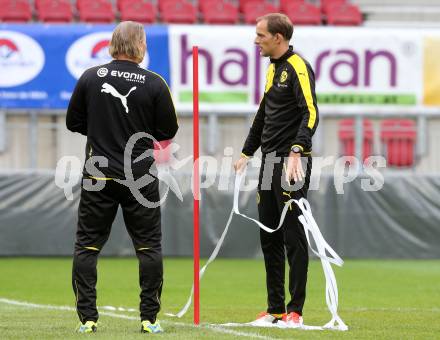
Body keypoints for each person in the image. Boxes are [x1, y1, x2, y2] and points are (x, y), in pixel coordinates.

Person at [66, 21, 178, 334]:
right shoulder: (154, 83)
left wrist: (101, 130)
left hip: (98, 175)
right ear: (140, 45)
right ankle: (149, 319)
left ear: (113, 44)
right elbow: (168, 131)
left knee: (87, 247)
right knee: (149, 248)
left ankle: (87, 320)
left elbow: (73, 121)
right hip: (140, 178)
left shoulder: (91, 77)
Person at [234, 13, 319, 326]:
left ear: (278, 38)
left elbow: (311, 113)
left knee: (293, 237)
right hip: (268, 163)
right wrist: (246, 151)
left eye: (260, 35)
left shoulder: (298, 67)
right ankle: (275, 310)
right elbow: (263, 115)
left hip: (290, 164)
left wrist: (298, 149)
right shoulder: (273, 71)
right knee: (268, 236)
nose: (256, 41)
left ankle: (295, 311)